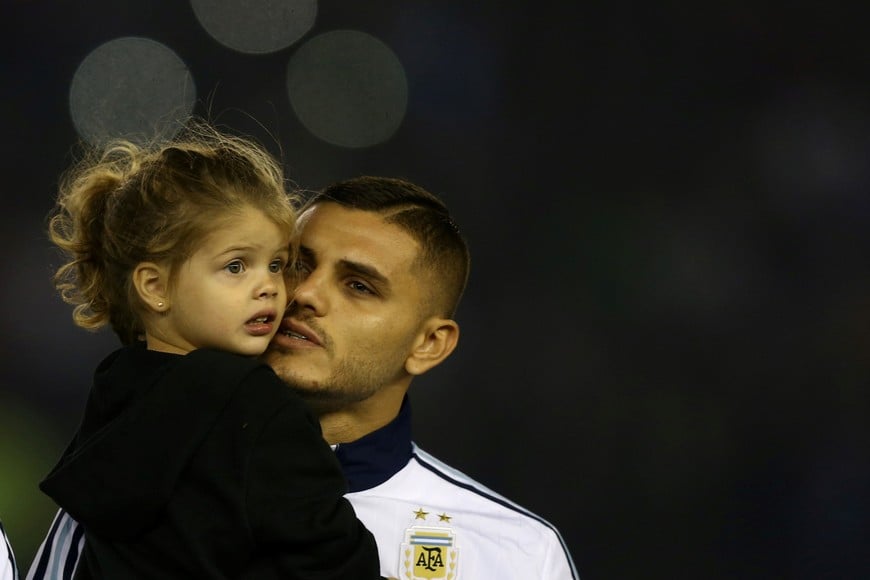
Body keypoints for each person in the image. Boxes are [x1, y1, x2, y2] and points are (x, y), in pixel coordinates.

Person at [29, 176, 579, 579]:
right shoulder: (134, 477)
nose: (304, 294)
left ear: (428, 344)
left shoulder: (518, 553)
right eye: (294, 263)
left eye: (359, 285)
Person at [34, 123, 380, 579]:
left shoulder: (113, 394)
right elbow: (337, 564)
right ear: (154, 287)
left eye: (276, 264)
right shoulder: (253, 403)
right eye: (236, 265)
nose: (269, 288)